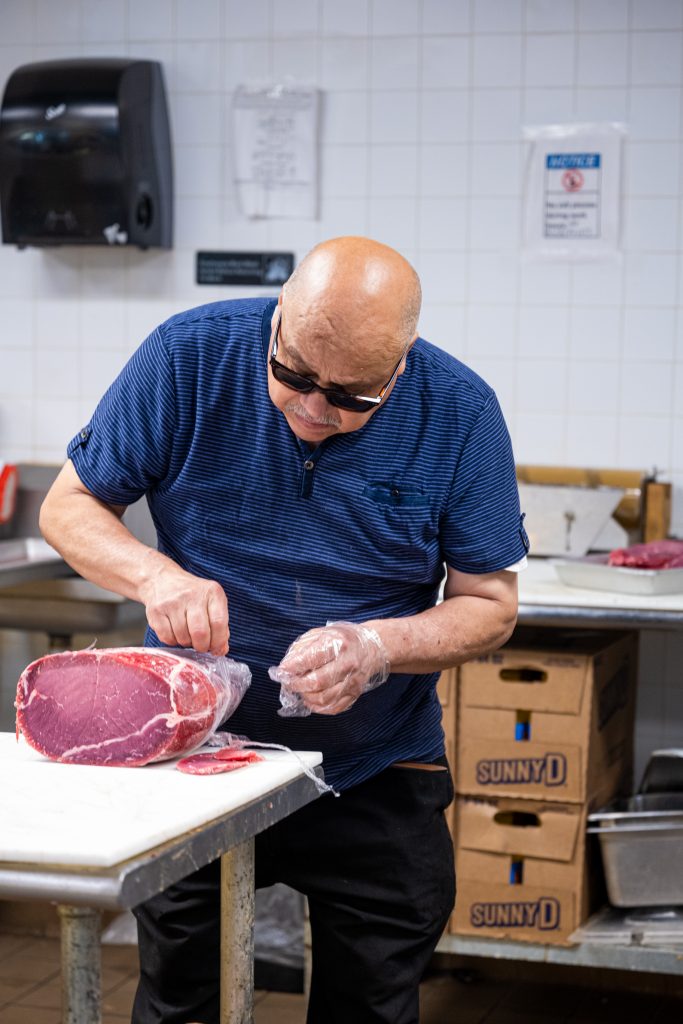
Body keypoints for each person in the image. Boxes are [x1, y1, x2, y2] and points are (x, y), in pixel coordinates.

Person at [40, 236, 528, 1024]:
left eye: (349, 398)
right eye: (292, 374)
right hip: (200, 758)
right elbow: (68, 506)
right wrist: (154, 575)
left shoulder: (460, 415)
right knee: (180, 998)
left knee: (370, 1004)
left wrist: (378, 647)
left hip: (373, 766)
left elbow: (490, 604)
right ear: (277, 321)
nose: (311, 409)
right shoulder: (186, 358)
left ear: (399, 369)